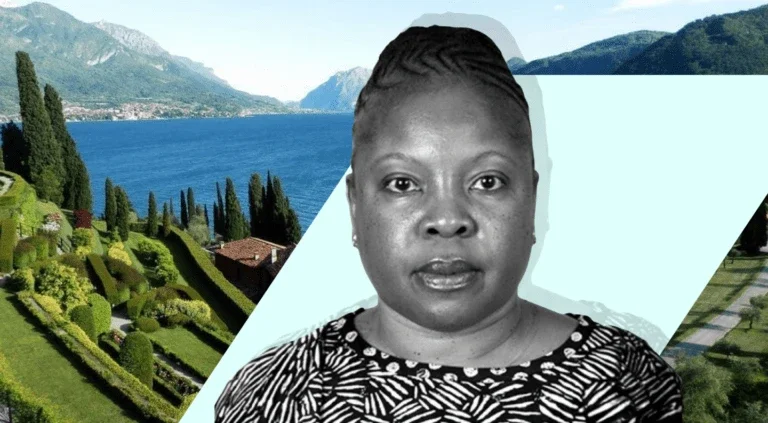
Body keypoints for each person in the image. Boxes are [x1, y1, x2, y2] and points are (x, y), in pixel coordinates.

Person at [214, 25, 683, 423]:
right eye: (402, 183)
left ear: (532, 199)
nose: (447, 219)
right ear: (356, 209)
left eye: (487, 180)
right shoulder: (264, 398)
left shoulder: (632, 384)